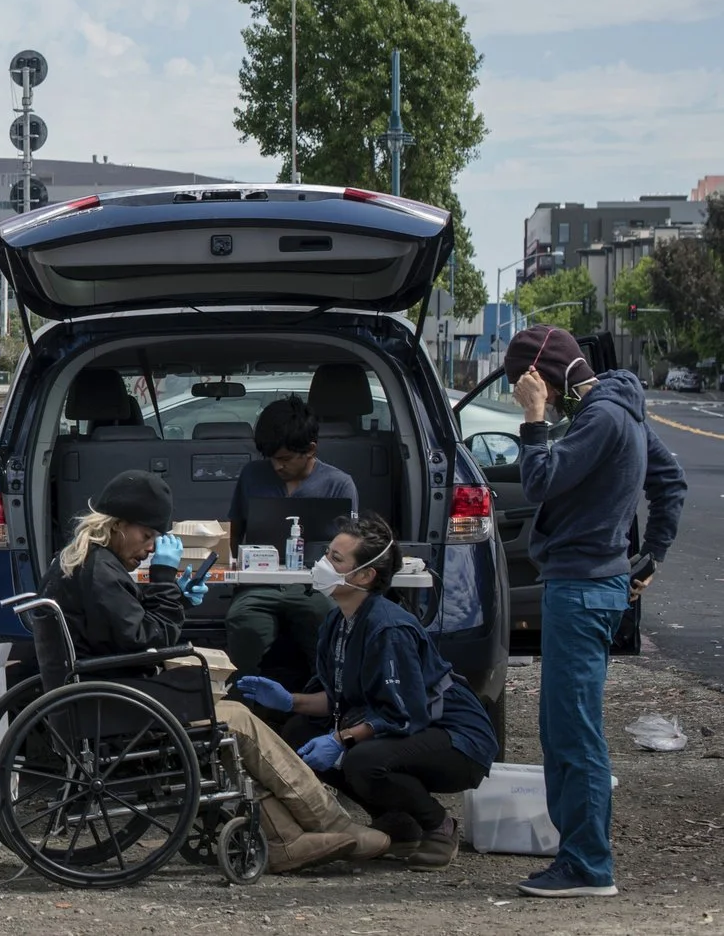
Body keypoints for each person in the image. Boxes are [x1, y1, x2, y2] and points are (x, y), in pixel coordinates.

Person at [42, 470, 389, 873]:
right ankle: (320, 825)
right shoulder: (99, 569)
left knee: (227, 724)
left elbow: (127, 629)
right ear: (118, 526)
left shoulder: (87, 562)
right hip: (112, 703)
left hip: (102, 692)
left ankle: (290, 836)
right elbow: (147, 640)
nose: (150, 548)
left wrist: (172, 598)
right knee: (237, 720)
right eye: (147, 536)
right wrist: (164, 581)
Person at [503, 325, 687, 898]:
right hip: (595, 584)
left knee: (573, 731)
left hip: (582, 589)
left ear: (542, 375)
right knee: (563, 725)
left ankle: (588, 865)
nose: (533, 397)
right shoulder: (620, 411)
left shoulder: (600, 418)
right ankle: (578, 854)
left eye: (525, 385)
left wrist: (534, 419)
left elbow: (538, 481)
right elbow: (670, 483)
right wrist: (649, 554)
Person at [233, 514, 496, 869]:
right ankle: (400, 823)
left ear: (365, 575)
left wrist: (341, 739)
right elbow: (339, 697)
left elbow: (404, 714)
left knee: (363, 759)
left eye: (336, 560)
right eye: (327, 554)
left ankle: (438, 825)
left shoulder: (389, 629)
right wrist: (289, 700)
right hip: (409, 723)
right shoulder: (337, 620)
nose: (323, 564)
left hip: (453, 736)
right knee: (299, 732)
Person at [223, 392, 358, 678]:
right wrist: (234, 574)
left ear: (310, 449)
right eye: (271, 459)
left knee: (328, 623)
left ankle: (325, 700)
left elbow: (352, 549)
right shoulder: (252, 475)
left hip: (316, 585)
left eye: (284, 459)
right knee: (243, 622)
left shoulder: (339, 484)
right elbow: (234, 534)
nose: (276, 466)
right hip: (259, 583)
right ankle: (244, 702)